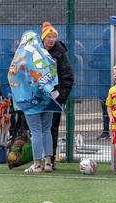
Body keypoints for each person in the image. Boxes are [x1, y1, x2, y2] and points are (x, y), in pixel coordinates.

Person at [8, 31, 62, 173]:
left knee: (36, 131)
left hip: (30, 100)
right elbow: (53, 71)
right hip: (47, 98)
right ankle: (49, 163)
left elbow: (13, 77)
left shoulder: (20, 57)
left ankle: (37, 164)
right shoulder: (44, 53)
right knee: (46, 130)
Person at [41, 22, 74, 168]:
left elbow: (68, 77)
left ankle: (50, 160)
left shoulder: (61, 53)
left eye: (54, 37)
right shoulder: (35, 52)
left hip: (54, 98)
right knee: (35, 128)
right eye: (49, 36)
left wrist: (60, 98)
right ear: (43, 38)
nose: (51, 39)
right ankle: (36, 159)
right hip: (36, 98)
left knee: (52, 128)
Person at [89, 28, 111, 139]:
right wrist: (105, 65)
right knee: (105, 107)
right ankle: (106, 131)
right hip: (104, 82)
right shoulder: (99, 49)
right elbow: (91, 63)